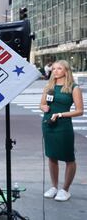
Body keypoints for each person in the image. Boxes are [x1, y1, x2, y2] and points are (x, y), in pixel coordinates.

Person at [40, 60, 83, 201]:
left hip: (63, 126)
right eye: (54, 69)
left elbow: (79, 111)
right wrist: (44, 108)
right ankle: (54, 187)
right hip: (48, 124)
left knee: (68, 157)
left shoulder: (73, 88)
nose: (55, 71)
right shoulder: (49, 86)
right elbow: (42, 104)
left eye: (59, 68)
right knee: (52, 156)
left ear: (66, 71)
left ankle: (65, 189)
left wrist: (60, 114)